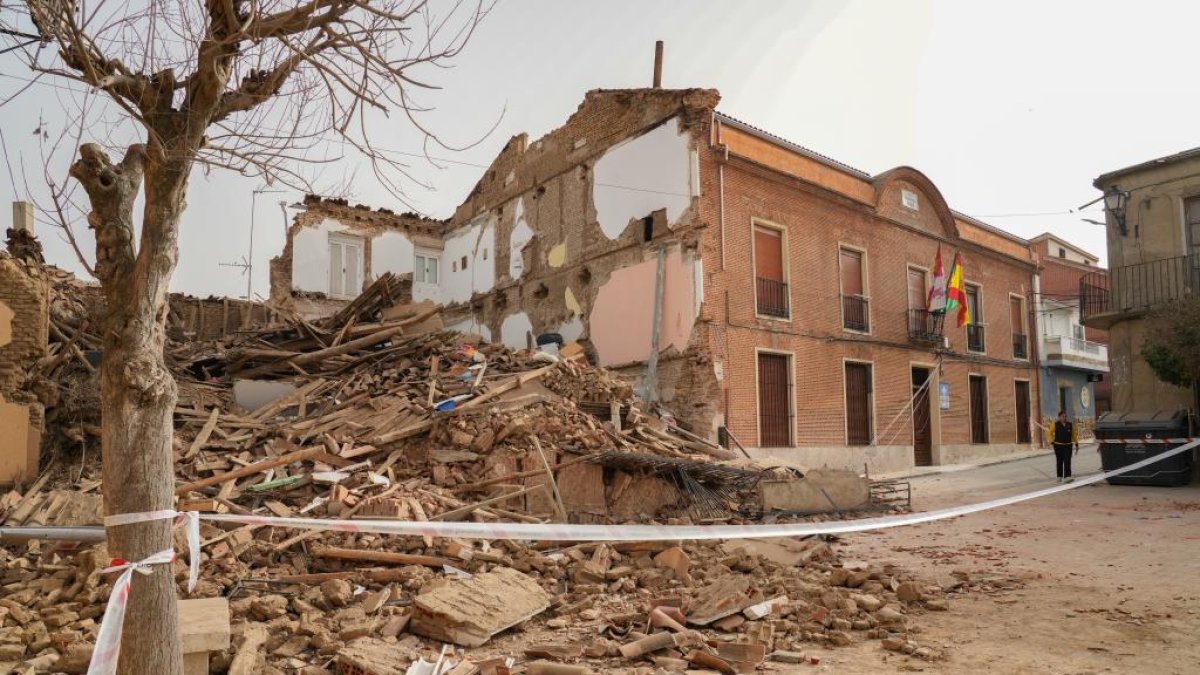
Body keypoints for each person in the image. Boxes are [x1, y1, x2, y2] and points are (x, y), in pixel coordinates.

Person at [1049, 410, 1079, 483]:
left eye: (1065, 416)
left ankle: (1067, 477)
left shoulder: (1070, 425)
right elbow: (1049, 433)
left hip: (1068, 446)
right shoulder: (1055, 424)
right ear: (1059, 417)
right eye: (1063, 416)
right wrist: (1051, 441)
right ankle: (1059, 477)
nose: (1065, 418)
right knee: (1059, 461)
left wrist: (1076, 443)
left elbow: (1074, 435)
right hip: (1058, 446)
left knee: (1067, 460)